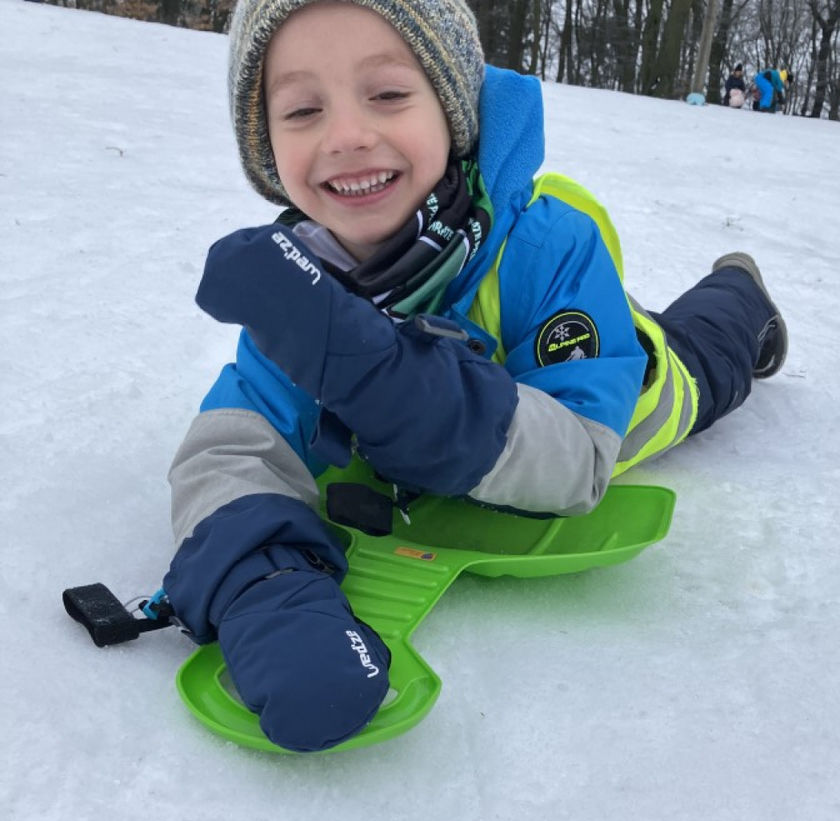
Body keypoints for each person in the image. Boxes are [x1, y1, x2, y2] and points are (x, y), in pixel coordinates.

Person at [161, 0, 789, 752]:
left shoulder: (552, 247)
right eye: (301, 109)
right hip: (500, 371)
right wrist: (267, 591)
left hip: (624, 382)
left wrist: (384, 379)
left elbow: (577, 462)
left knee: (708, 349)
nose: (348, 135)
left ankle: (742, 293)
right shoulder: (308, 285)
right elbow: (234, 446)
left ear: (453, 110)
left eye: (388, 94)